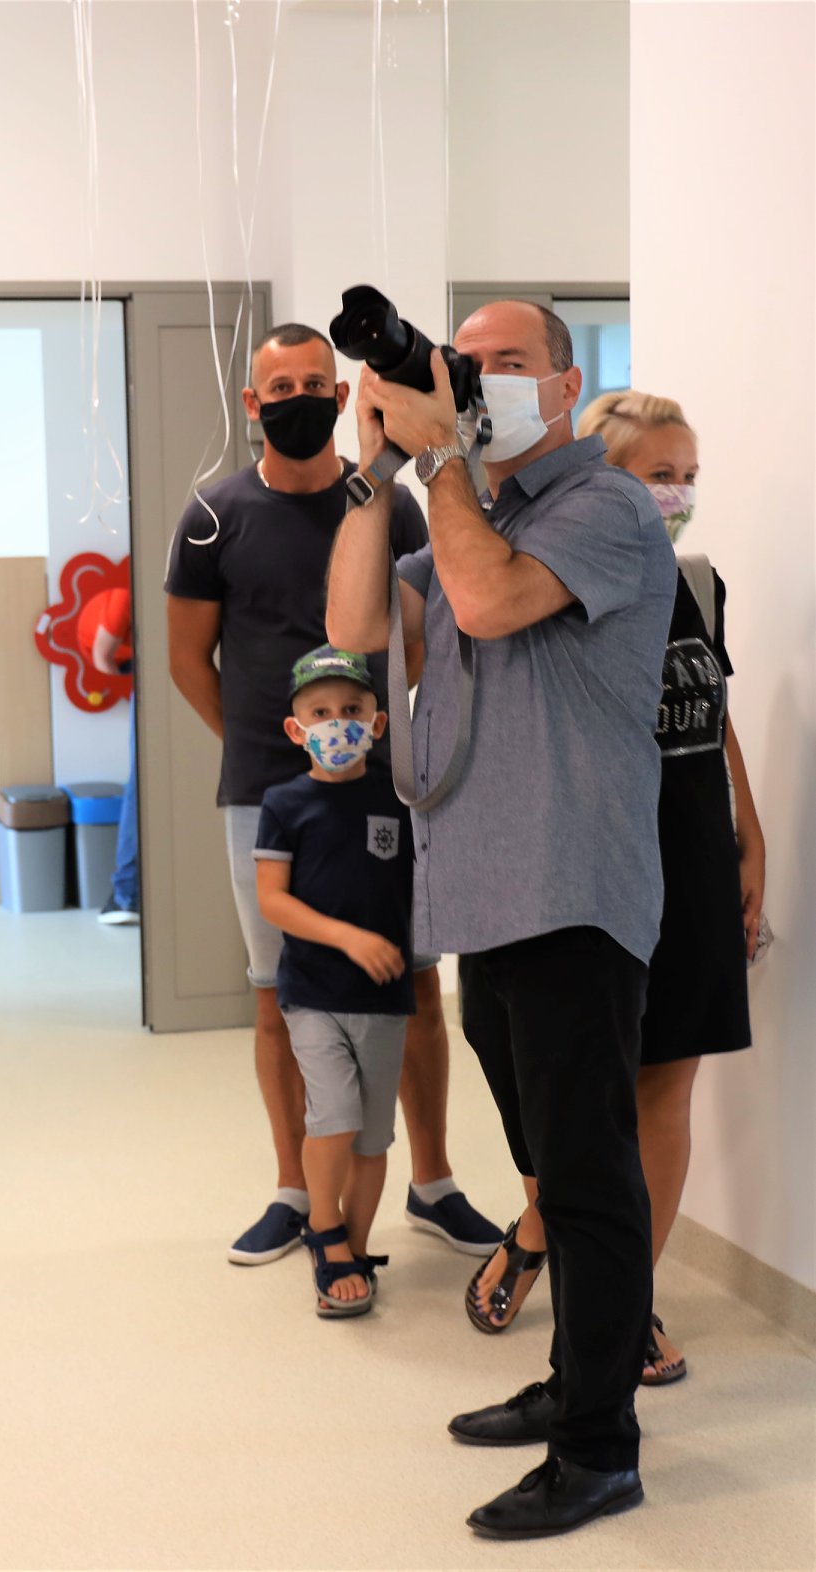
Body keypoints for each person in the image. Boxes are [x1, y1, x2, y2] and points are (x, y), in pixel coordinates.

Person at [326, 300, 676, 1539]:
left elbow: (478, 607)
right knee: (549, 1171)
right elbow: (356, 629)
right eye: (464, 365)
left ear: (567, 383)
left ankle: (598, 1448)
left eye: (508, 364)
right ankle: (571, 1381)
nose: (481, 382)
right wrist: (373, 474)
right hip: (487, 894)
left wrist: (438, 462)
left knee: (585, 1176)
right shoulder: (484, 509)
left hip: (572, 892)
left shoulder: (604, 507)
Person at [166, 322, 498, 1268]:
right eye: (282, 388)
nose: (300, 400)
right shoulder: (212, 516)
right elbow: (188, 660)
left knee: (415, 981)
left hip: (387, 789)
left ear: (343, 395)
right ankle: (292, 1190)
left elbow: (423, 635)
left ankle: (431, 1183)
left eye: (318, 383)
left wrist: (371, 738)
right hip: (266, 794)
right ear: (252, 403)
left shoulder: (388, 507)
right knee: (278, 996)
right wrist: (274, 758)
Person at [459, 392, 765, 1387]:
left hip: (693, 852)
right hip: (591, 853)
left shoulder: (695, 580)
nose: (673, 495)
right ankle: (539, 1227)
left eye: (686, 476)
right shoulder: (553, 574)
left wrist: (747, 836)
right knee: (570, 1093)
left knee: (664, 1085)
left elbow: (708, 710)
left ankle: (625, 1306)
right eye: (653, 475)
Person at [254, 649, 416, 1318]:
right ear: (297, 731)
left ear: (378, 723)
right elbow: (272, 899)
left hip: (384, 998)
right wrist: (347, 937)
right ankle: (323, 1229)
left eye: (351, 710)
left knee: (373, 1138)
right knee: (335, 1116)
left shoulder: (398, 799)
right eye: (320, 712)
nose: (337, 722)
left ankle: (353, 1245)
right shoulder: (284, 803)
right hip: (313, 994)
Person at [91, 585, 139, 925]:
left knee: (140, 785)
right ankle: (127, 892)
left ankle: (127, 894)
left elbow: (102, 658)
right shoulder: (125, 596)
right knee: (141, 785)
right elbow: (102, 659)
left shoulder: (126, 595)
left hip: (148, 674)